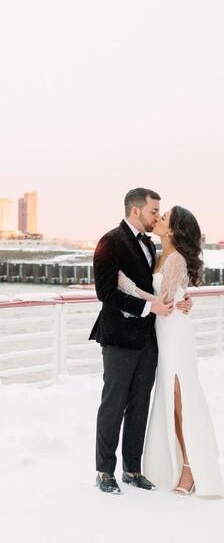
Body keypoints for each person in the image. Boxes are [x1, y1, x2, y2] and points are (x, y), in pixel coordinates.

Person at [90, 188, 192, 495]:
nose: (157, 217)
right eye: (153, 212)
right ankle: (104, 470)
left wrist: (182, 299)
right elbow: (106, 292)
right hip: (119, 336)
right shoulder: (110, 241)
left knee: (139, 404)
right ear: (136, 211)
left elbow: (164, 285)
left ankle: (132, 469)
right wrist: (150, 307)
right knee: (113, 402)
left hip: (149, 338)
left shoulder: (151, 244)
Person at [118, 206, 224, 496]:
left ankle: (190, 470)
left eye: (164, 218)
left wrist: (127, 287)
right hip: (163, 333)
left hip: (175, 333)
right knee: (169, 398)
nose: (159, 219)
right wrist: (180, 298)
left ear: (174, 230)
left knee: (181, 401)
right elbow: (171, 297)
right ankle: (177, 464)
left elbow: (163, 301)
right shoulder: (158, 253)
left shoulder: (175, 258)